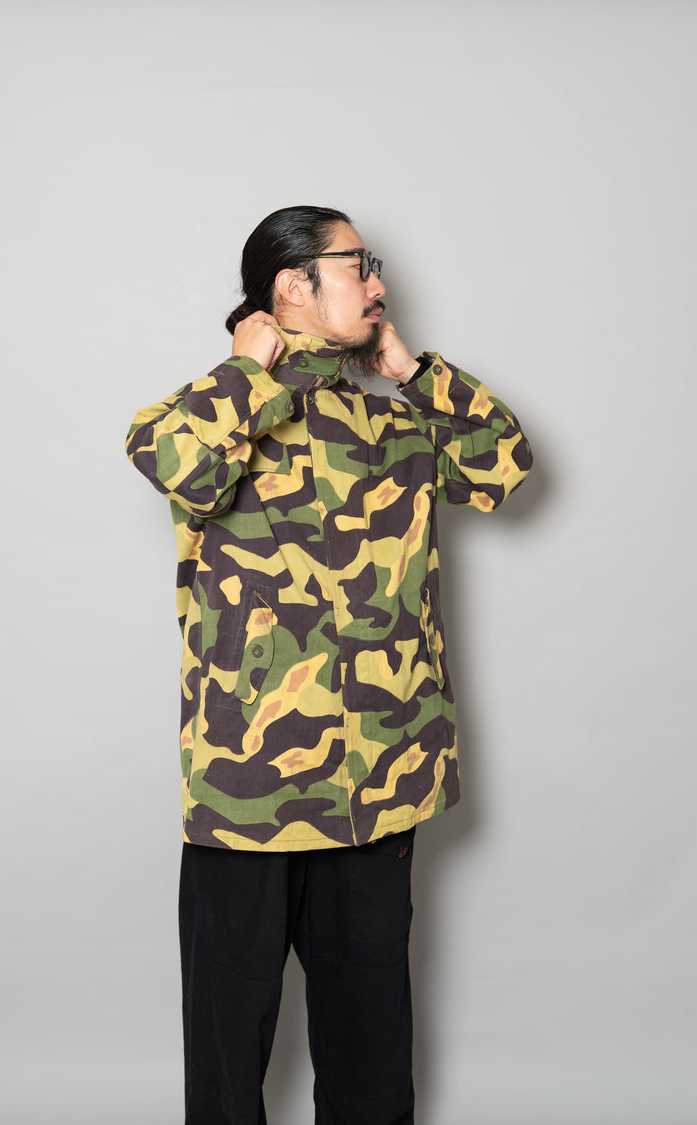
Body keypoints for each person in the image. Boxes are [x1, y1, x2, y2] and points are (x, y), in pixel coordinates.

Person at [126, 205, 532, 1125]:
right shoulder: (212, 412)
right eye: (359, 264)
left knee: (371, 1060)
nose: (380, 284)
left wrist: (416, 373)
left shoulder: (396, 423)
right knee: (228, 1063)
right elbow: (177, 465)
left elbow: (505, 466)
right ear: (292, 285)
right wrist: (248, 369)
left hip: (379, 781)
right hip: (251, 792)